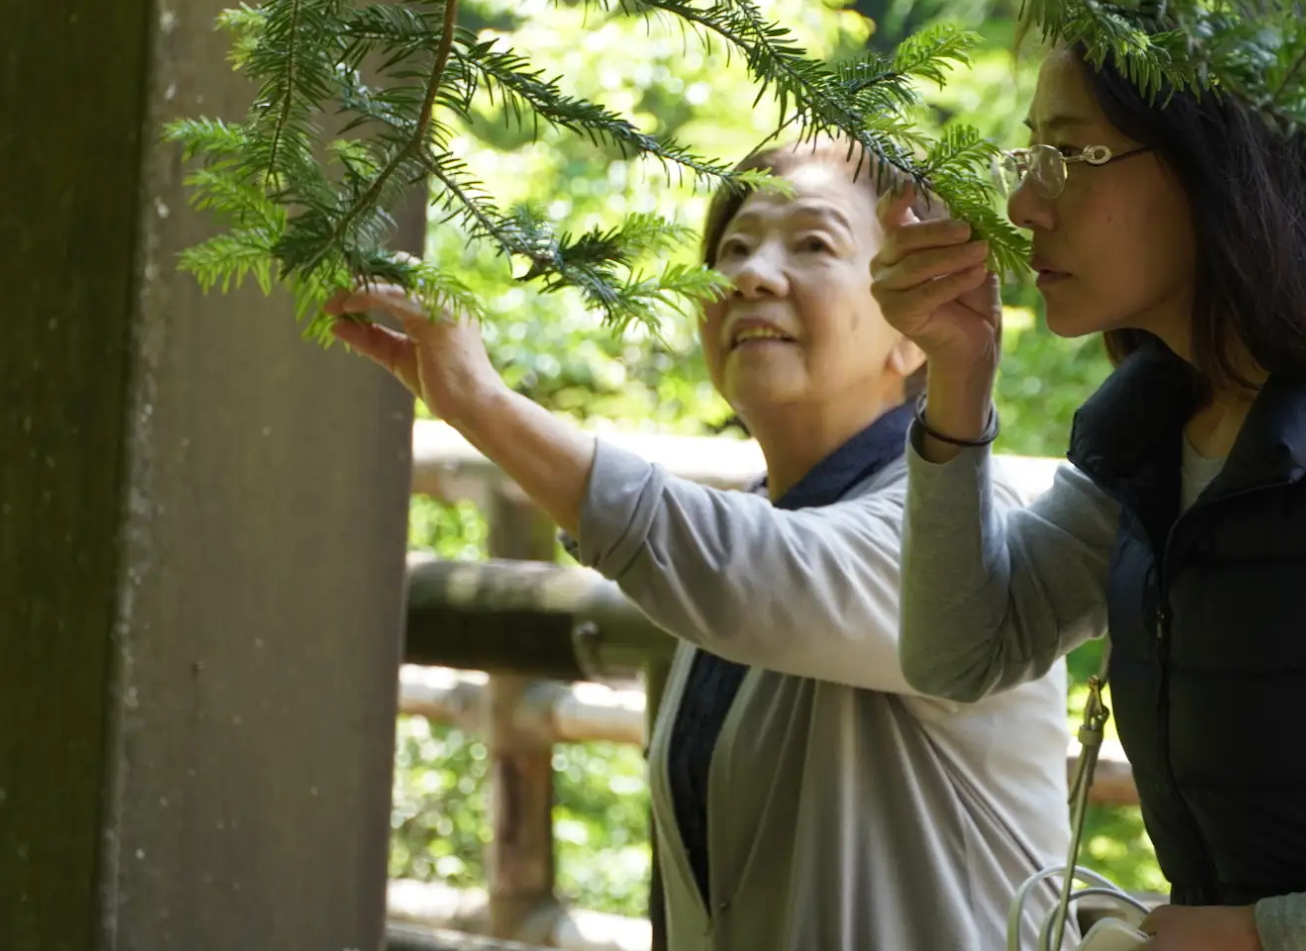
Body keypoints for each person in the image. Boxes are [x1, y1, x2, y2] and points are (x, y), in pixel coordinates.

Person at [871, 35, 1306, 951]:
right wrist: (957, 380)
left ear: (1223, 164)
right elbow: (965, 650)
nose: (1025, 204)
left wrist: (1272, 936)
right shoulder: (1159, 426)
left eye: (1071, 155)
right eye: (1031, 154)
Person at [328, 138, 1075, 951]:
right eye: (734, 246)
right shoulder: (759, 523)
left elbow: (749, 571)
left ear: (914, 327)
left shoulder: (961, 526)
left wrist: (480, 402)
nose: (753, 274)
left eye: (814, 243)